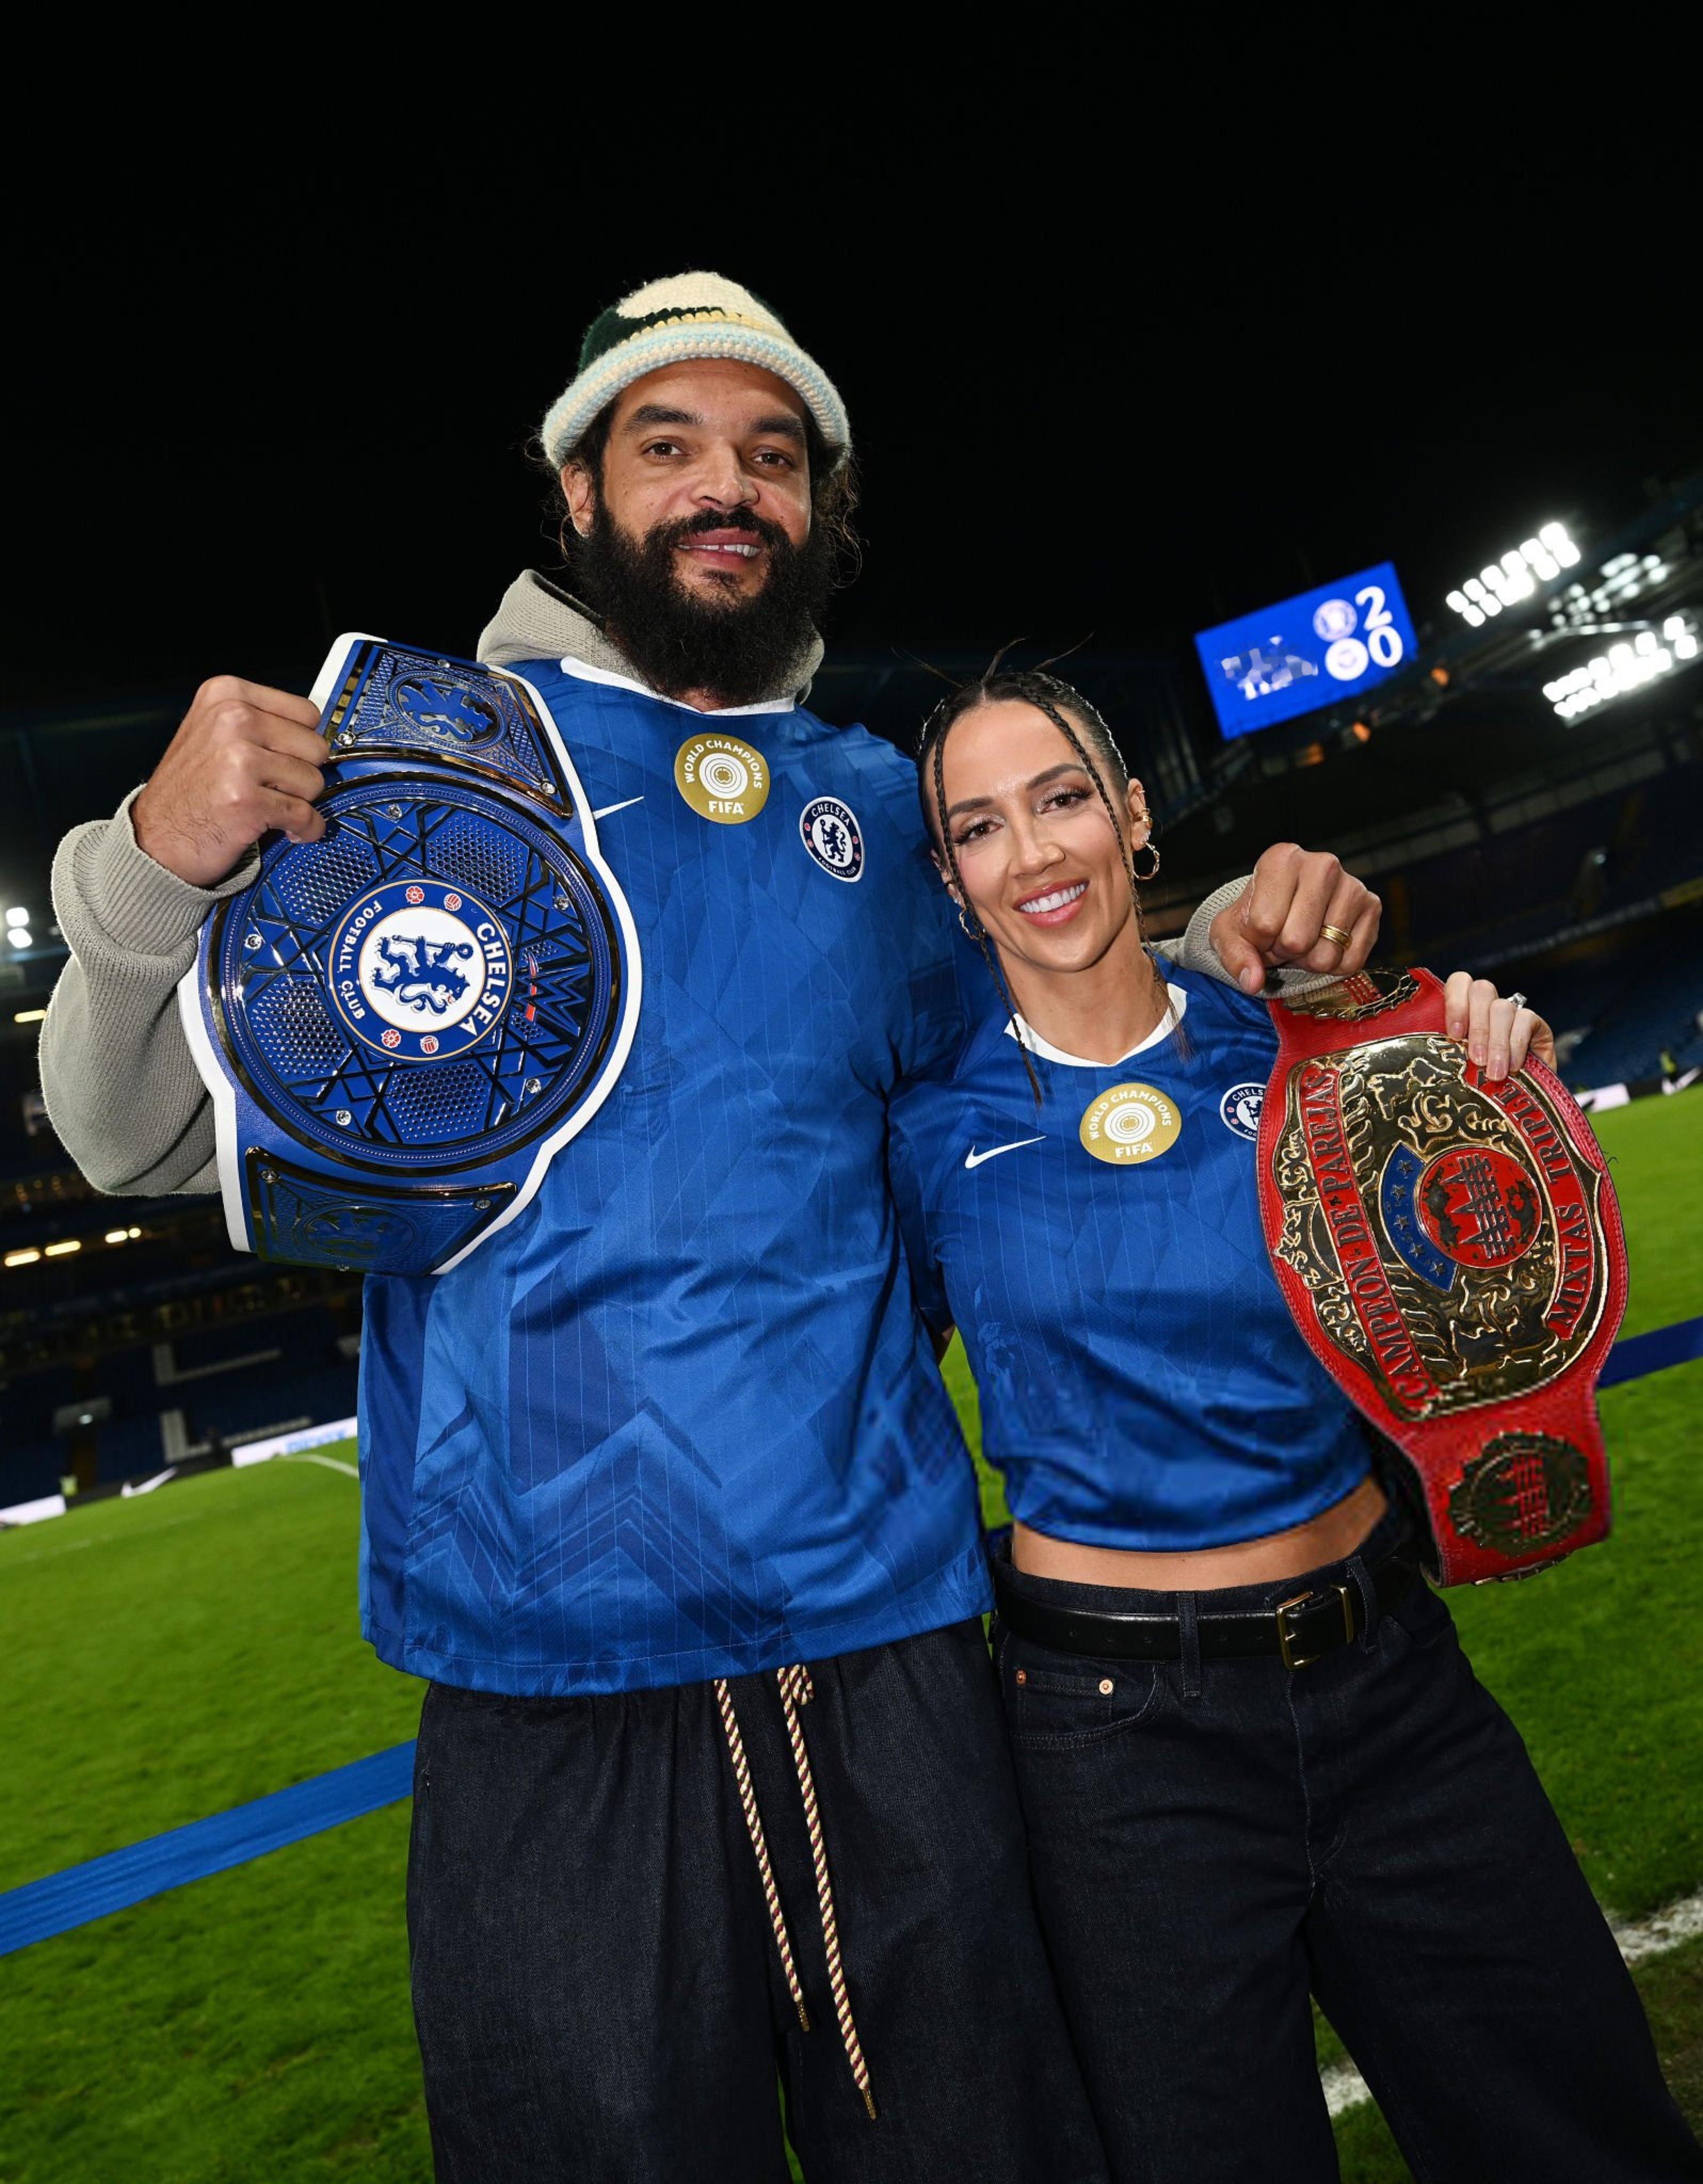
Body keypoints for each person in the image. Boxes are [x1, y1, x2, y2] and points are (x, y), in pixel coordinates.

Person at [41, 273, 1379, 2183]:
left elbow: (1045, 1038)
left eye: (771, 454)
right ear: (576, 492)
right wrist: (151, 870)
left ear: (822, 509)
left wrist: (1224, 933)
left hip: (890, 1651)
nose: (723, 488)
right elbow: (133, 1138)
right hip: (546, 1682)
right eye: (666, 446)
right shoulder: (420, 767)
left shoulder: (882, 807)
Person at [889, 664, 1703, 2184]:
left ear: (1132, 815)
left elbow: (1480, 1255)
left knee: (1583, 2138)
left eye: (1062, 799)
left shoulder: (1303, 1041)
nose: (1034, 854)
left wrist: (1481, 1058)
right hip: (1118, 1752)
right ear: (948, 876)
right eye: (980, 827)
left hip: (1392, 1687)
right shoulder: (922, 1127)